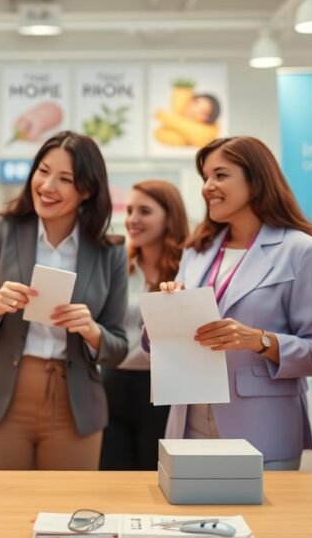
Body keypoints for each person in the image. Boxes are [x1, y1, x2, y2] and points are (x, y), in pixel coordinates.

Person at [154, 136, 312, 470]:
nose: (208, 186)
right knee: (187, 521)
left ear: (255, 180)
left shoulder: (300, 250)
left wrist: (259, 340)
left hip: (261, 426)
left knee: (264, 523)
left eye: (220, 175)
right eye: (205, 177)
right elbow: (158, 344)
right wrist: (168, 311)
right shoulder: (198, 249)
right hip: (189, 421)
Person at [0, 131, 128, 470]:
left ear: (87, 191)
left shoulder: (110, 250)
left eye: (65, 179)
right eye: (43, 171)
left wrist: (92, 331)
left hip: (75, 403)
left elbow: (118, 347)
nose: (48, 186)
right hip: (2, 396)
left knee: (68, 514)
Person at [100, 180, 188, 471]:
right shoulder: (118, 268)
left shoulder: (186, 269)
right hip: (113, 380)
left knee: (157, 475)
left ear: (169, 217)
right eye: (130, 210)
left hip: (163, 388)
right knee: (113, 478)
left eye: (145, 211)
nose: (132, 220)